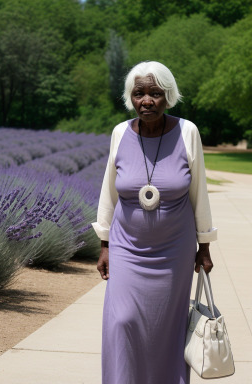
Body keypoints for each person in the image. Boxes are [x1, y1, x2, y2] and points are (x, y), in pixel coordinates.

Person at [92, 61, 217, 384]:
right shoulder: (120, 133)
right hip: (127, 249)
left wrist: (204, 247)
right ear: (130, 98)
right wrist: (104, 243)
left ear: (168, 96)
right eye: (139, 93)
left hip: (173, 252)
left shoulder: (187, 131)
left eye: (155, 93)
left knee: (166, 332)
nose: (146, 100)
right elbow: (109, 191)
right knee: (122, 323)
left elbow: (198, 193)